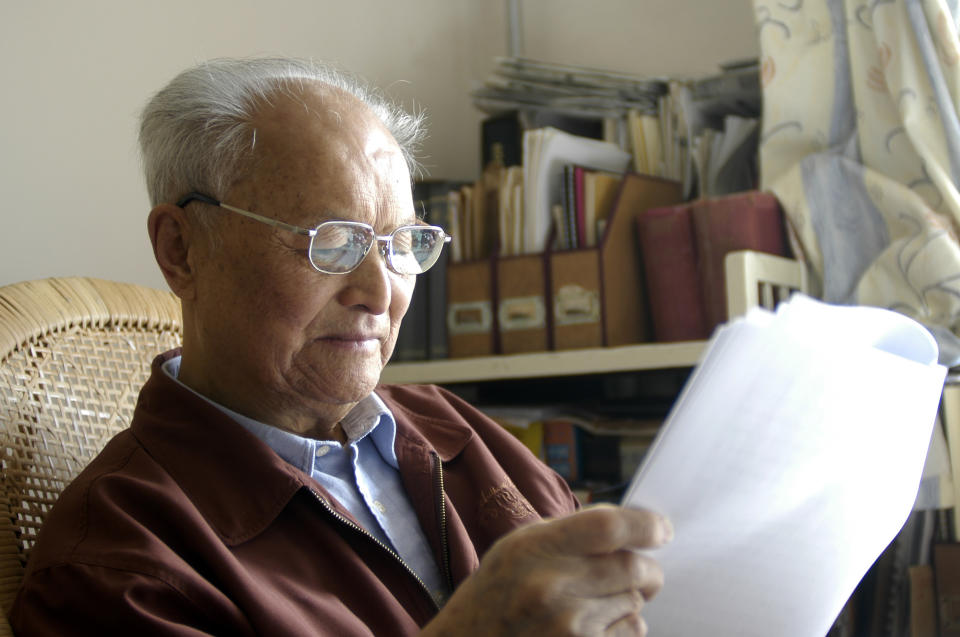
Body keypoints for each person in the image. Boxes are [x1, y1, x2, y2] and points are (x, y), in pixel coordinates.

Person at [9, 57, 671, 636]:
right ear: (181, 249)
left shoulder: (460, 433)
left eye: (402, 244)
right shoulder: (119, 562)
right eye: (333, 241)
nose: (379, 291)